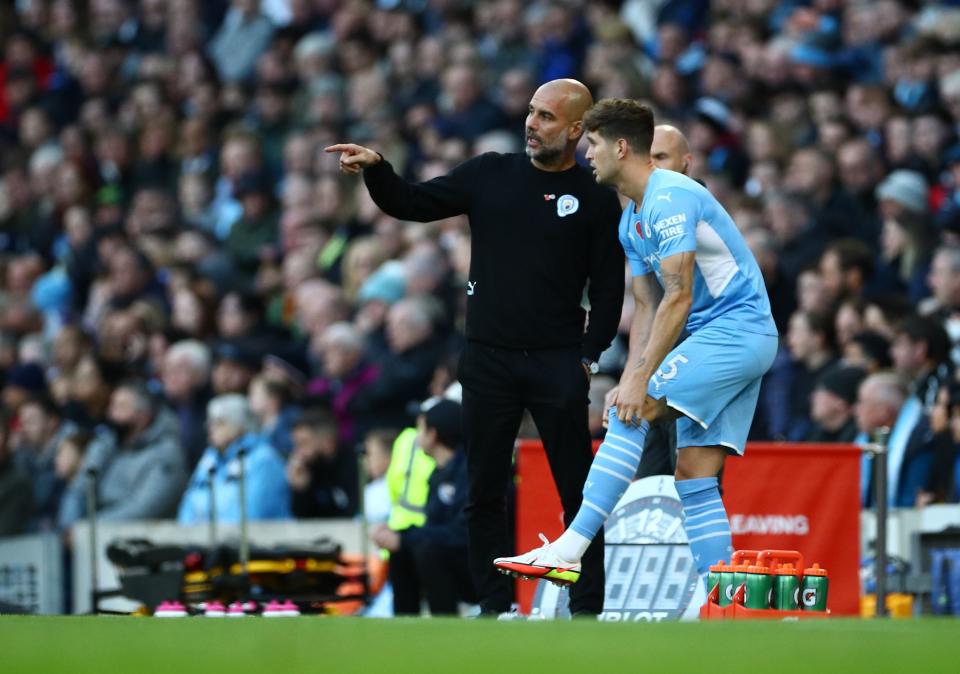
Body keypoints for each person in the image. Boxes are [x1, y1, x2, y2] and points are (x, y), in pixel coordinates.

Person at [326, 79, 624, 617]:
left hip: (559, 360)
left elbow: (608, 284)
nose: (532, 123)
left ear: (577, 130)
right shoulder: (490, 172)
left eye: (548, 117)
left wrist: (589, 354)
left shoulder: (597, 195)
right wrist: (377, 169)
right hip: (487, 358)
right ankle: (494, 605)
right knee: (482, 489)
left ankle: (588, 607)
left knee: (578, 492)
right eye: (531, 112)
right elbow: (412, 203)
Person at [495, 99, 778, 591]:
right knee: (693, 474)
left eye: (595, 144)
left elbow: (680, 296)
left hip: (734, 331)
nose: (587, 155)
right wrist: (630, 373)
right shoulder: (632, 220)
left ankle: (570, 547)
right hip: (728, 339)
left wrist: (641, 380)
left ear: (621, 147)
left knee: (633, 410)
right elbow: (646, 306)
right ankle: (727, 598)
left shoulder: (670, 197)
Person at [370, 398, 476, 616]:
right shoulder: (437, 474)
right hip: (453, 557)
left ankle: (443, 622)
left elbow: (462, 533)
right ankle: (405, 622)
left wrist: (406, 537)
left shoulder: (469, 472)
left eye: (420, 428)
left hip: (477, 567)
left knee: (426, 548)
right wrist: (399, 536)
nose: (416, 436)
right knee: (402, 549)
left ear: (432, 434)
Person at [59, 381, 187, 528]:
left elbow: (144, 509)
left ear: (143, 416)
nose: (111, 414)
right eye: (112, 406)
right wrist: (69, 526)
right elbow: (80, 488)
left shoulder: (166, 453)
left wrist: (89, 528)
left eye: (121, 407)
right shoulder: (108, 445)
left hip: (142, 538)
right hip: (93, 532)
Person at [177, 394, 291, 525]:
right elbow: (188, 504)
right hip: (202, 542)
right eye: (209, 422)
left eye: (219, 422)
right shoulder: (209, 458)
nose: (210, 428)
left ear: (240, 426)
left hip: (255, 542)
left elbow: (254, 513)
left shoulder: (264, 459)